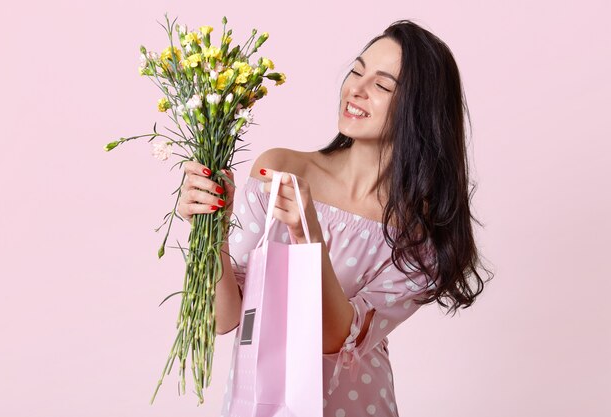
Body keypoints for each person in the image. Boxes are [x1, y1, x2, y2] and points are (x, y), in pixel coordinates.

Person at [178, 19, 493, 417]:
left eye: (381, 85)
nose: (356, 90)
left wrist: (309, 238)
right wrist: (211, 232)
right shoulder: (279, 171)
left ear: (420, 109)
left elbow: (336, 339)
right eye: (356, 71)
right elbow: (224, 319)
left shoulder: (419, 234)